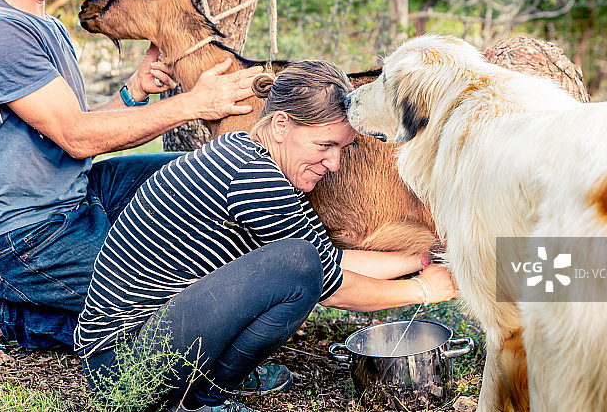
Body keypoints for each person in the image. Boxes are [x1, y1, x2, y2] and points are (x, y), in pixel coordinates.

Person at [0, 0, 261, 359]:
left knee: (212, 177)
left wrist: (134, 92)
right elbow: (75, 137)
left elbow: (72, 125)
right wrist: (193, 104)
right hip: (26, 236)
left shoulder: (45, 26)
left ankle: (50, 308)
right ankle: (10, 314)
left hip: (80, 195)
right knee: (176, 279)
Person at [75, 61, 459, 412]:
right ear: (280, 125)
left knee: (304, 260)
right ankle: (204, 401)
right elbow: (331, 284)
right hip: (123, 366)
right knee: (298, 265)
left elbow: (331, 260)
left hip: (148, 341)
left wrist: (419, 261)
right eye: (324, 145)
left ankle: (204, 387)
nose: (335, 163)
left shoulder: (247, 153)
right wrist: (422, 291)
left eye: (343, 148)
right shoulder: (254, 179)